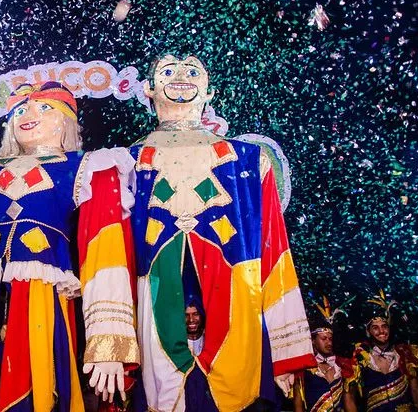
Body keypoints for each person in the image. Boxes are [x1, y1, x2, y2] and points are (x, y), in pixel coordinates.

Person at [128, 53, 315, 411]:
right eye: (168, 71)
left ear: (209, 92)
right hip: (152, 321)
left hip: (239, 317)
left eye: (192, 70)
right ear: (149, 91)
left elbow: (274, 251)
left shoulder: (247, 159)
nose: (181, 76)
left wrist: (284, 350)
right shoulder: (126, 161)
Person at [0, 81, 139, 410]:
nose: (28, 114)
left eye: (44, 108)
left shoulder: (85, 166)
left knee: (41, 381)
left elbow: (105, 250)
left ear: (66, 121)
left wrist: (109, 342)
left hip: (45, 292)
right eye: (21, 109)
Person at [342, 291, 418, 412]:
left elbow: (416, 390)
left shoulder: (404, 354)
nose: (381, 331)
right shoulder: (360, 358)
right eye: (375, 327)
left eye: (384, 326)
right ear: (368, 332)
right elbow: (349, 396)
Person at [293, 317, 352, 412]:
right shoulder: (304, 369)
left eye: (330, 339)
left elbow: (348, 401)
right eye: (324, 339)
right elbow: (298, 405)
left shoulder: (341, 367)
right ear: (313, 341)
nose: (329, 342)